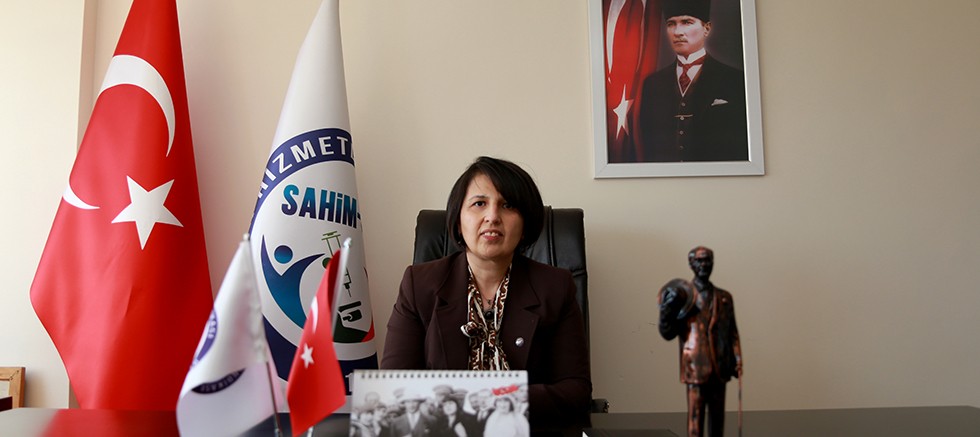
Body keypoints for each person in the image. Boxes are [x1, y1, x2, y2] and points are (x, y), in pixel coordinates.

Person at [381, 156, 593, 430]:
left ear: (525, 224)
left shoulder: (555, 287)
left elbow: (576, 392)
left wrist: (500, 399)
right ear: (459, 220)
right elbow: (394, 387)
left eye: (508, 205)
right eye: (479, 203)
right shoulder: (419, 285)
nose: (492, 216)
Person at [637, 0, 748, 162]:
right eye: (671, 24)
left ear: (706, 29)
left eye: (687, 22)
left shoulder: (735, 79)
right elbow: (649, 146)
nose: (677, 32)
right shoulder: (652, 84)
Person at [658, 247, 742, 437]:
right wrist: (666, 311)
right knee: (695, 422)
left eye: (707, 260)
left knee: (717, 423)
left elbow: (732, 332)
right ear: (691, 264)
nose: (704, 264)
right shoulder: (682, 296)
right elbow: (668, 332)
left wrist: (737, 359)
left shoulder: (725, 298)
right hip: (695, 367)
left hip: (720, 368)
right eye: (699, 261)